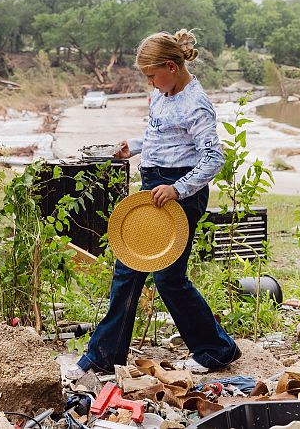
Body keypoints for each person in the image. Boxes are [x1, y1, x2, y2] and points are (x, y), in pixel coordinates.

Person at [67, 29, 241, 379]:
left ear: (170, 67)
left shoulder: (196, 103)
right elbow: (160, 135)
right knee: (140, 273)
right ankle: (108, 355)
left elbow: (213, 158)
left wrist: (177, 189)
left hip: (178, 196)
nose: (149, 82)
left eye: (151, 75)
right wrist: (134, 145)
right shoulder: (163, 95)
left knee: (155, 276)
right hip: (153, 189)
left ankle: (213, 349)